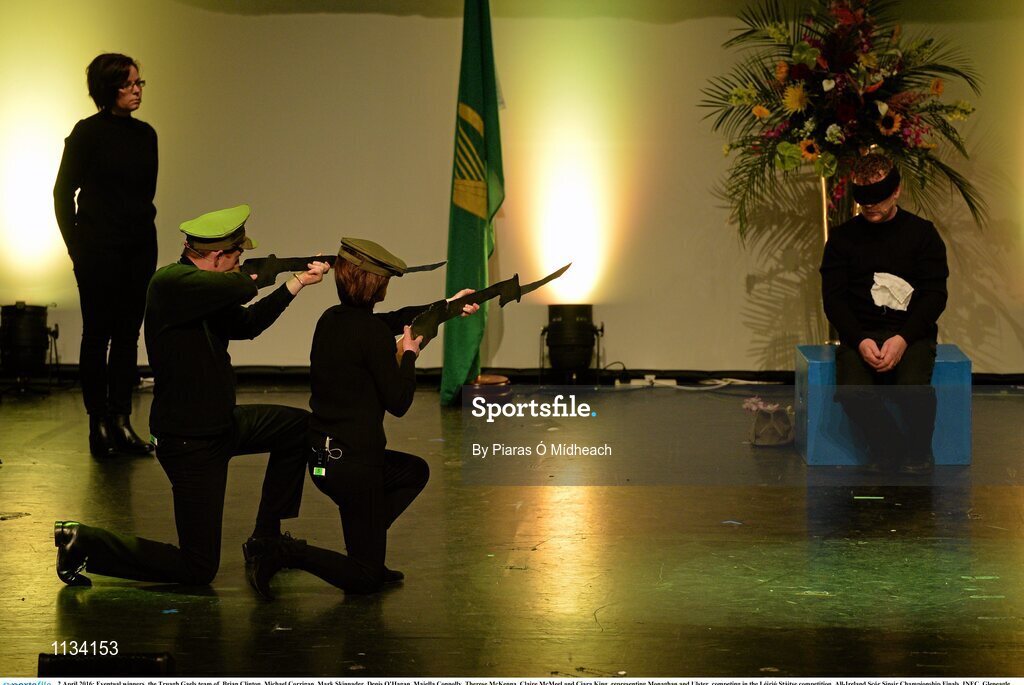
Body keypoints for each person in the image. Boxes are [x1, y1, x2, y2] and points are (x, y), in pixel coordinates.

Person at [54, 205, 354, 595]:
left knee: (297, 428)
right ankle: (84, 544)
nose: (238, 264)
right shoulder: (172, 283)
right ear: (217, 256)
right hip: (189, 443)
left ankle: (266, 540)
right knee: (198, 567)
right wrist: (270, 271)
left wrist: (295, 283)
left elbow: (246, 325)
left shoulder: (203, 293)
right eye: (235, 256)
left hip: (222, 426)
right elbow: (241, 285)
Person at [248, 238, 477, 596]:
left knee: (414, 471)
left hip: (323, 458)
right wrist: (410, 354)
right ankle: (286, 553)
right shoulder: (370, 334)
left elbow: (393, 321)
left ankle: (366, 541)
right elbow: (399, 401)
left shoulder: (333, 319)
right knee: (365, 578)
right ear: (378, 285)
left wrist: (445, 308)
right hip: (355, 465)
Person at [53, 53, 158, 458]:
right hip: (98, 250)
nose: (136, 90)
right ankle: (97, 423)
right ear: (108, 88)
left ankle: (121, 420)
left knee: (128, 336)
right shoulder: (87, 134)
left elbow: (142, 195)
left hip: (137, 249)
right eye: (129, 84)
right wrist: (76, 248)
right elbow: (63, 194)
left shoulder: (146, 134)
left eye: (139, 83)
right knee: (98, 335)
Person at [820, 153, 949, 474]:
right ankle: (890, 448)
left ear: (896, 191)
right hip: (860, 330)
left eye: (878, 198)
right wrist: (859, 339)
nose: (871, 206)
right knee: (852, 393)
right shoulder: (842, 238)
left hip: (910, 331)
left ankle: (920, 453)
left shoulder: (922, 235)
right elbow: (833, 299)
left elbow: (934, 294)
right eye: (864, 200)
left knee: (913, 390)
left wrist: (903, 339)